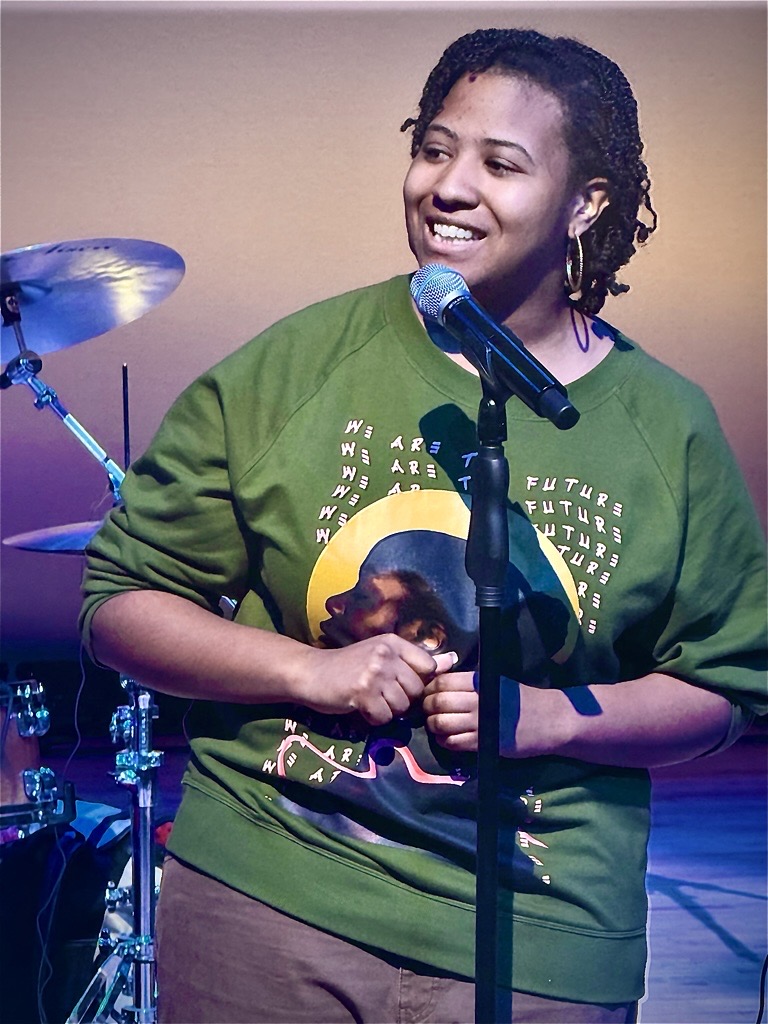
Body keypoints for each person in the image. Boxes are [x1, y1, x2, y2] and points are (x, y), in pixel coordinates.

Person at [79, 27, 767, 1024]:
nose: (447, 185)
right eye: (434, 148)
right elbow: (119, 603)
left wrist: (542, 717)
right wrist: (308, 672)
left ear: (587, 201)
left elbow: (724, 684)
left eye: (500, 163)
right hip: (270, 909)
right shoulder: (299, 365)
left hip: (540, 939)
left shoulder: (666, 426)